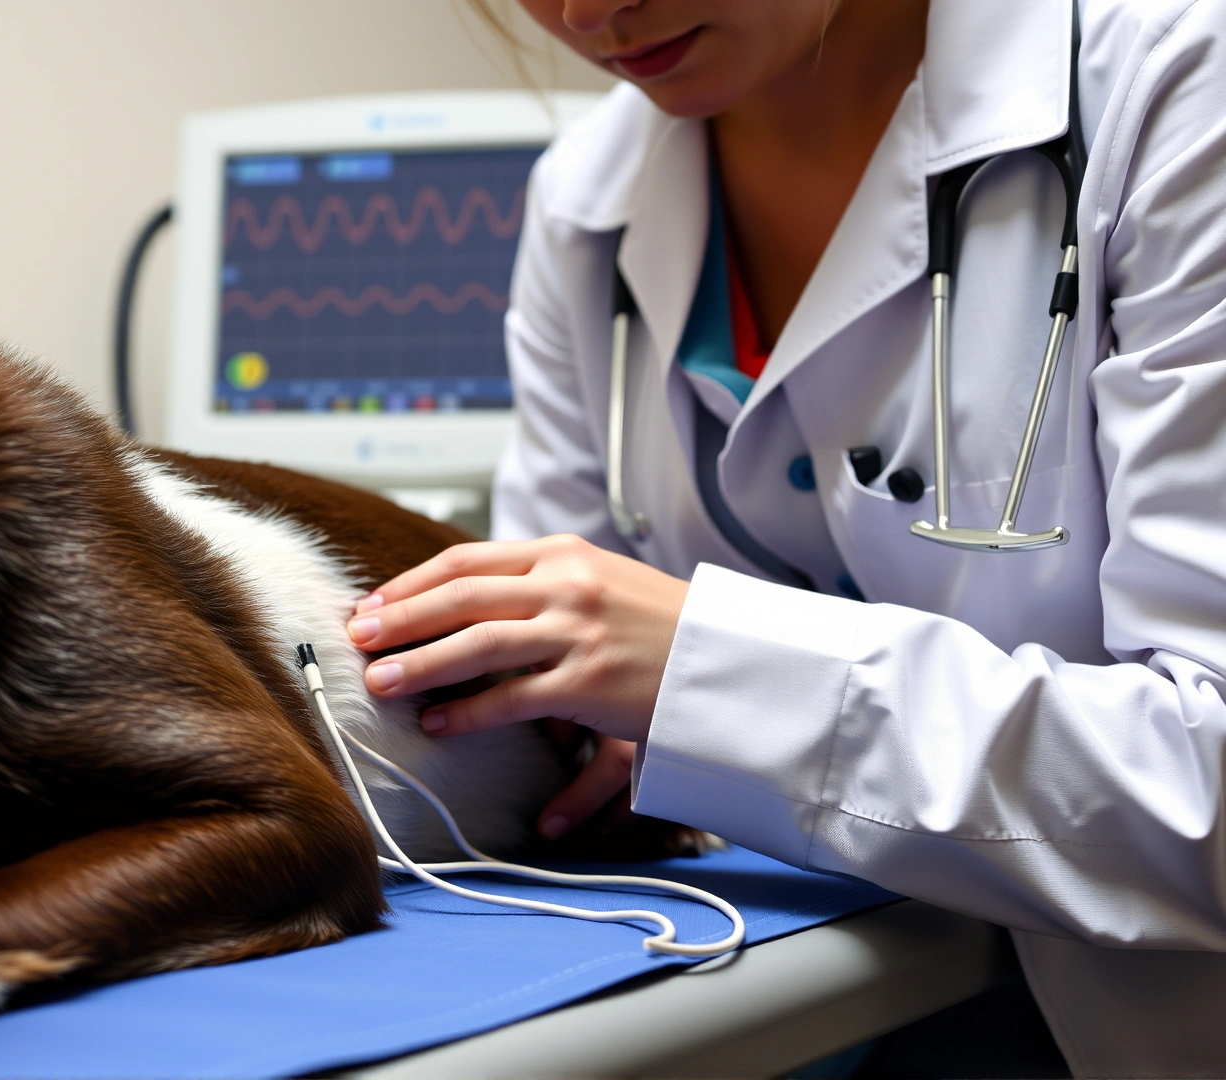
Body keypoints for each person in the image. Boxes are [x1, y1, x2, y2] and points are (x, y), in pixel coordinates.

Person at [346, 0, 1226, 1074]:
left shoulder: (1174, 80)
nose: (588, 11)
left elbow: (1210, 793)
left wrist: (705, 676)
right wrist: (589, 715)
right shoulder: (587, 204)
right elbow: (559, 706)